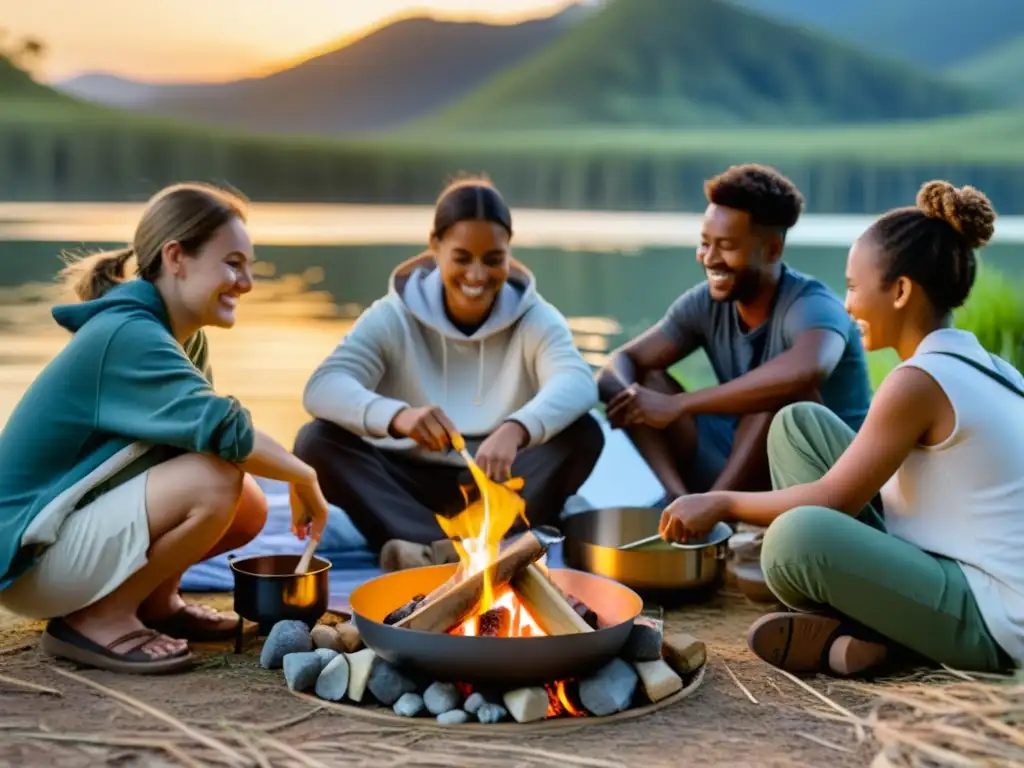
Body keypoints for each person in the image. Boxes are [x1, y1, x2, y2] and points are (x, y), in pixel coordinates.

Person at [661, 180, 1022, 676]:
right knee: (798, 425)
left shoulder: (918, 381)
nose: (847, 305)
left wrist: (721, 502)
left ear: (900, 291)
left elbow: (834, 500)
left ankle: (879, 636)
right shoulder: (992, 369)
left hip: (995, 620)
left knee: (795, 540)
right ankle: (873, 633)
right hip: (955, 568)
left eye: (853, 287)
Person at [0, 182, 330, 675]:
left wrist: (289, 472)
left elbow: (206, 439)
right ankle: (95, 619)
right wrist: (303, 476)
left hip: (63, 537)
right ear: (177, 257)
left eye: (248, 267)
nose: (247, 283)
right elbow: (228, 436)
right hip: (27, 559)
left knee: (245, 503)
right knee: (217, 480)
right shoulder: (129, 335)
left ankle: (156, 603)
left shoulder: (181, 339)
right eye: (233, 263)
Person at [294, 176, 603, 570]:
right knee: (316, 441)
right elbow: (323, 387)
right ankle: (443, 544)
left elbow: (577, 382)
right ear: (435, 247)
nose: (477, 275)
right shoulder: (393, 315)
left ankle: (427, 552)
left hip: (500, 480)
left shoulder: (536, 317)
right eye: (462, 257)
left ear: (509, 253)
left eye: (493, 259)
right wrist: (398, 417)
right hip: (408, 486)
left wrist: (517, 428)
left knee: (583, 433)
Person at [598, 163, 871, 503]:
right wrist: (637, 398)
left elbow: (809, 369)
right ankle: (677, 498)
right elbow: (619, 362)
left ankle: (715, 508)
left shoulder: (812, 305)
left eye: (726, 246)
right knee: (644, 380)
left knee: (780, 393)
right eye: (705, 244)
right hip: (741, 457)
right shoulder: (706, 302)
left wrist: (679, 404)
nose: (710, 259)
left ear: (772, 250)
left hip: (817, 472)